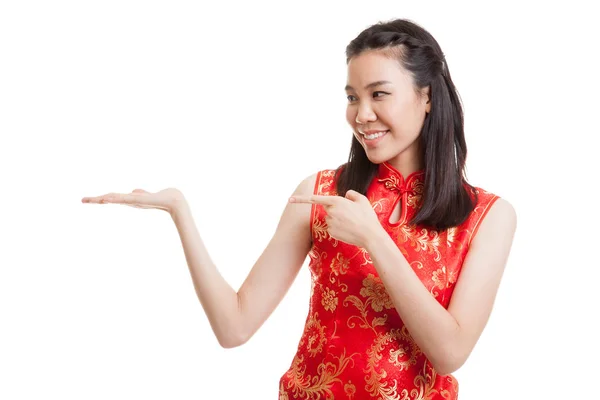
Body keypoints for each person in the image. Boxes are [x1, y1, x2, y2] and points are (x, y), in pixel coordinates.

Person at [82, 18, 516, 400]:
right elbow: (234, 327)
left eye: (378, 94)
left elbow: (449, 354)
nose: (362, 114)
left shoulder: (486, 216)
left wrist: (373, 237)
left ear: (427, 97)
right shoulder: (322, 193)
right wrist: (180, 212)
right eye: (352, 97)